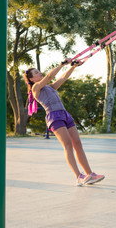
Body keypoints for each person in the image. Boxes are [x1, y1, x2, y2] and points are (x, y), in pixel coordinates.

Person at [24, 58, 105, 186]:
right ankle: (79, 176)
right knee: (68, 145)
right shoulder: (36, 88)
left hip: (64, 113)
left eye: (39, 72)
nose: (40, 73)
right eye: (37, 73)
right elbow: (50, 76)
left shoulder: (49, 87)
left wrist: (72, 67)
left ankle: (90, 174)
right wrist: (61, 64)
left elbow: (62, 78)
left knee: (77, 143)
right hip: (54, 116)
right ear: (32, 79)